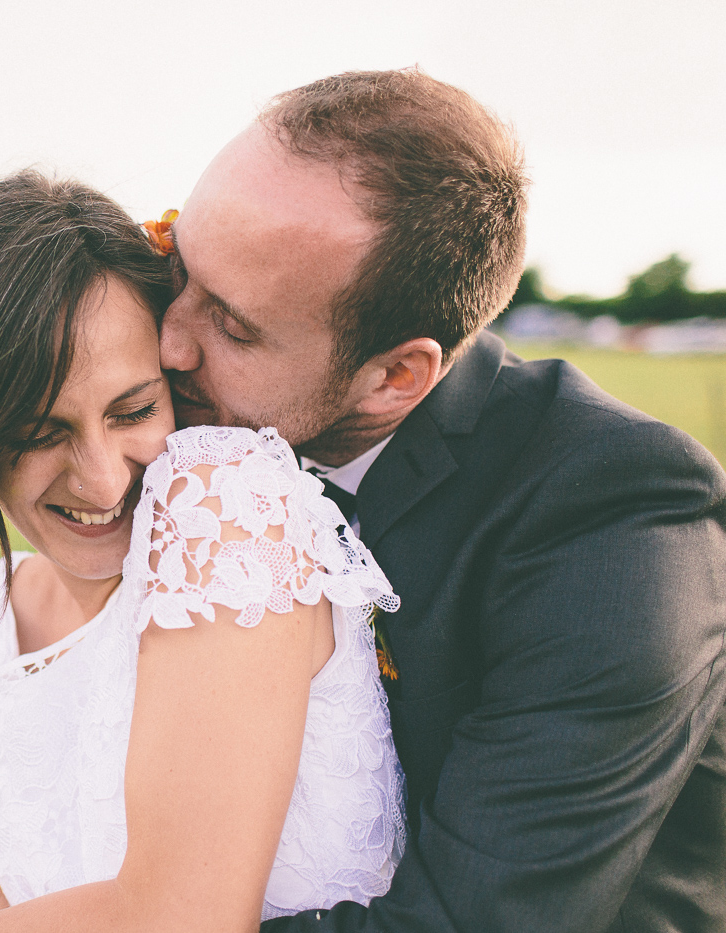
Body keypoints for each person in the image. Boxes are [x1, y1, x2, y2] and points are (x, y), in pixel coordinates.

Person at [157, 69, 726, 931]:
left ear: (395, 377)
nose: (166, 343)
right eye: (175, 266)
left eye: (233, 326)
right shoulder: (209, 443)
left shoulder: (617, 519)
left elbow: (467, 921)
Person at [0, 170, 404, 931]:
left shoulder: (228, 517)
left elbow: (186, 918)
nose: (101, 477)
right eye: (37, 433)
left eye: (134, 409)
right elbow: (17, 904)